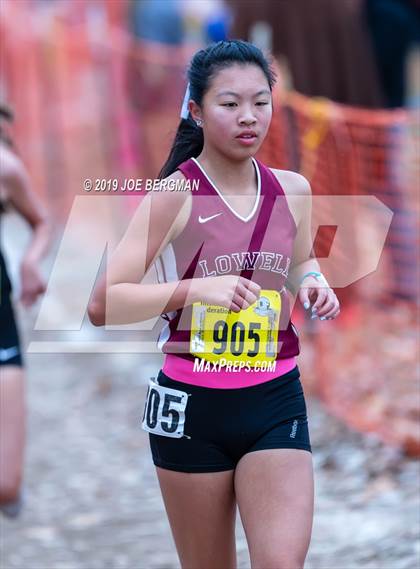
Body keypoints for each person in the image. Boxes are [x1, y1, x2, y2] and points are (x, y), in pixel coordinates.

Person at [88, 39, 340, 569]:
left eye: (260, 102)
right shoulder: (174, 196)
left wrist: (315, 280)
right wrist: (195, 289)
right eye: (230, 104)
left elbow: (297, 261)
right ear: (197, 112)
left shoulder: (292, 190)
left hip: (275, 398)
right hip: (191, 407)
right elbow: (102, 304)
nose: (248, 118)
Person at [0, 104, 49, 518]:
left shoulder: (5, 167)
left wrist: (31, 261)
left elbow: (42, 222)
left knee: (6, 485)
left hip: (1, 326)